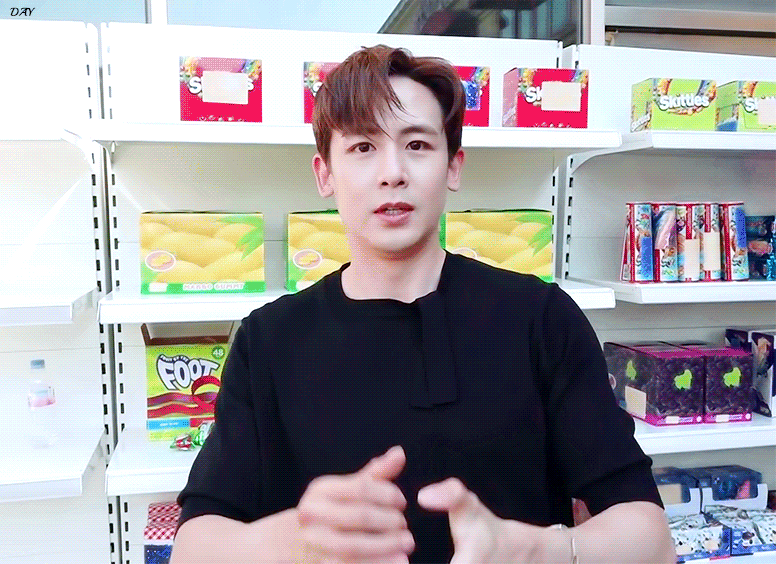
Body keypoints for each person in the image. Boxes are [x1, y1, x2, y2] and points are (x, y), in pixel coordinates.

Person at [171, 45, 675, 564]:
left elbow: (652, 538)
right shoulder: (269, 339)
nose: (392, 172)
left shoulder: (540, 318)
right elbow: (194, 546)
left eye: (416, 144)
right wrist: (295, 540)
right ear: (325, 174)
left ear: (453, 166)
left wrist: (535, 549)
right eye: (363, 146)